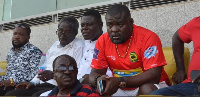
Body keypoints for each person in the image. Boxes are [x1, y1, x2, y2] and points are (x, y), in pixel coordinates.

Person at [89, 4, 170, 96]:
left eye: (120, 25)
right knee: (94, 90)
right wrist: (98, 80)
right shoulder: (103, 40)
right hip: (120, 87)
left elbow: (154, 76)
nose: (114, 30)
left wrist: (121, 81)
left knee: (146, 89)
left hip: (151, 85)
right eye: (110, 25)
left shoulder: (148, 37)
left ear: (130, 22)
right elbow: (95, 72)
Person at [5, 16, 84, 96]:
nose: (62, 35)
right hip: (42, 84)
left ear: (75, 33)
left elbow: (75, 73)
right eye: (60, 31)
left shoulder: (79, 46)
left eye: (67, 32)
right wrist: (32, 82)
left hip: (58, 86)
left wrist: (53, 75)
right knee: (12, 94)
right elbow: (42, 68)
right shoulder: (55, 45)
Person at [150, 16, 200, 96]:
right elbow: (177, 38)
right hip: (191, 84)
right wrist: (180, 69)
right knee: (155, 95)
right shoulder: (196, 22)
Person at [0, 23, 43, 95]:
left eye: (21, 35)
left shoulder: (34, 51)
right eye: (15, 34)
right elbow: (8, 74)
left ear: (28, 37)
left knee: (10, 94)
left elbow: (35, 74)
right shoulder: (11, 52)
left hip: (23, 86)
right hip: (8, 85)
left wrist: (11, 81)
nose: (17, 37)